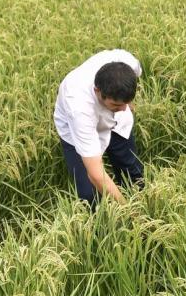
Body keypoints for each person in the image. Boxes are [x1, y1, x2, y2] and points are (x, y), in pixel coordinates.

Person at [54, 49, 143, 208]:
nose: (124, 109)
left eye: (126, 103)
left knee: (133, 173)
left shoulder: (126, 62)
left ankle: (140, 201)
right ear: (97, 91)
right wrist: (128, 210)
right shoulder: (79, 107)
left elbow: (136, 73)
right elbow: (96, 174)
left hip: (116, 123)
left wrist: (122, 104)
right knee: (89, 195)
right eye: (116, 104)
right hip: (75, 131)